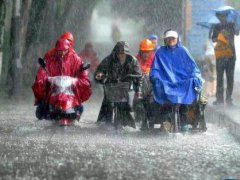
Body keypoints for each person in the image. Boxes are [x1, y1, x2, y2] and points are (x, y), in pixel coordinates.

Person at [150, 29, 203, 131]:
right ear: (165, 40)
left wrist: (195, 77)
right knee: (165, 103)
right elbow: (155, 68)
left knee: (184, 104)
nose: (170, 40)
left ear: (177, 39)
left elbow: (193, 68)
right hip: (166, 82)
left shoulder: (183, 51)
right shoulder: (160, 52)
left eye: (172, 38)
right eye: (168, 38)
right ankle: (166, 120)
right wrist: (155, 77)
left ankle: (183, 122)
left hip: (182, 82)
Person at [32, 38, 92, 120]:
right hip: (53, 91)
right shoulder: (50, 59)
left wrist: (78, 81)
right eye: (60, 51)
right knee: (42, 108)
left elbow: (83, 74)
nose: (62, 53)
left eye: (64, 51)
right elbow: (42, 73)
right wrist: (45, 80)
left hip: (71, 92)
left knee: (80, 107)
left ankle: (75, 116)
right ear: (56, 50)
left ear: (69, 48)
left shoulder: (76, 60)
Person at [94, 41, 143, 128]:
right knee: (107, 105)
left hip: (125, 89)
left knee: (126, 107)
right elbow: (99, 71)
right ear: (116, 52)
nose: (122, 55)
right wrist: (100, 75)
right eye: (120, 53)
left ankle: (128, 123)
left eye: (124, 53)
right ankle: (103, 123)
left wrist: (138, 90)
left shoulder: (133, 61)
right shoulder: (109, 59)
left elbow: (139, 77)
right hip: (111, 88)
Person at [211, 11, 239, 106]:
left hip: (231, 55)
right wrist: (220, 35)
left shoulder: (231, 25)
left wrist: (235, 22)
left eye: (225, 16)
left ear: (227, 16)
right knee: (220, 77)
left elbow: (237, 32)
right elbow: (213, 39)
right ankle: (219, 99)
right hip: (220, 55)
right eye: (221, 16)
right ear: (218, 17)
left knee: (230, 78)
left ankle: (228, 99)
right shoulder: (216, 26)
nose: (223, 17)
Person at [135, 39, 155, 130]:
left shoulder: (155, 59)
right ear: (140, 52)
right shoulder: (135, 59)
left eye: (148, 52)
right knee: (137, 103)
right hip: (138, 87)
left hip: (152, 87)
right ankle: (141, 119)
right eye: (144, 52)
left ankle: (151, 120)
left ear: (151, 51)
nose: (146, 54)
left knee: (152, 103)